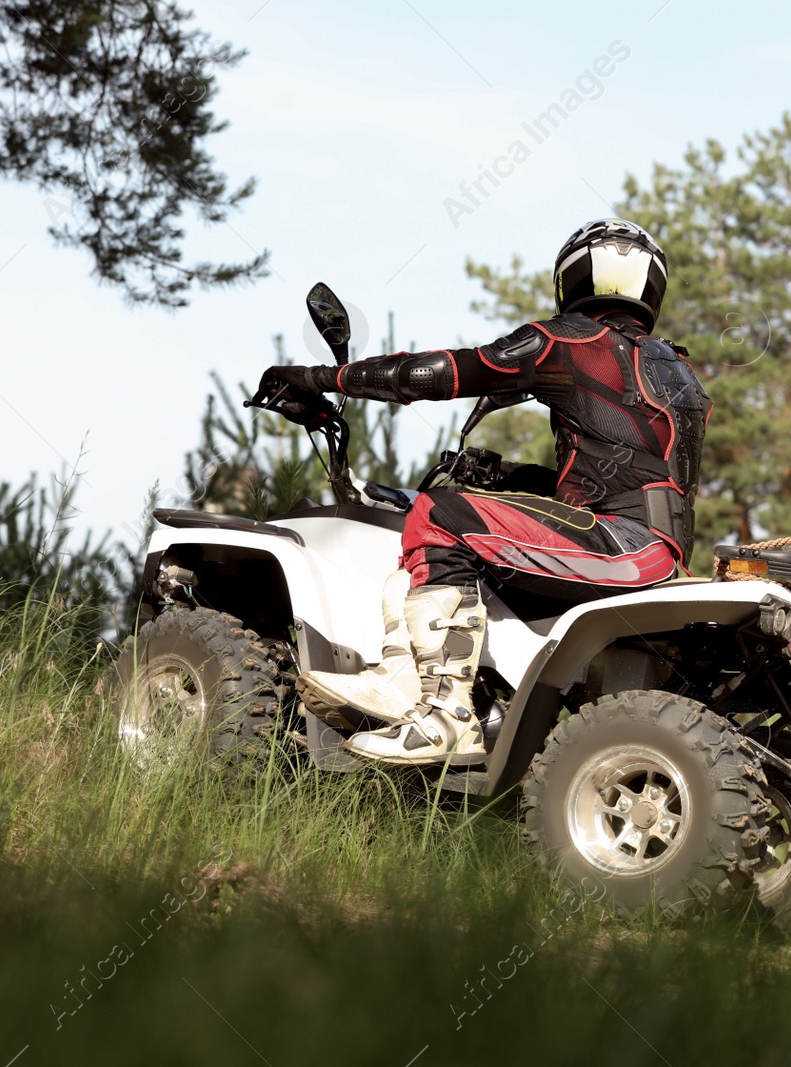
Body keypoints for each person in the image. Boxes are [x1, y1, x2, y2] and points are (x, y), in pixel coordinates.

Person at [258, 219, 711, 765]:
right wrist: (515, 477)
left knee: (439, 517)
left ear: (574, 278)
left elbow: (439, 374)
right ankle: (405, 674)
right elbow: (631, 479)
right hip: (653, 554)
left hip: (622, 547)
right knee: (457, 538)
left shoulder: (570, 341)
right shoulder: (680, 373)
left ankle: (445, 717)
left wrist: (319, 379)